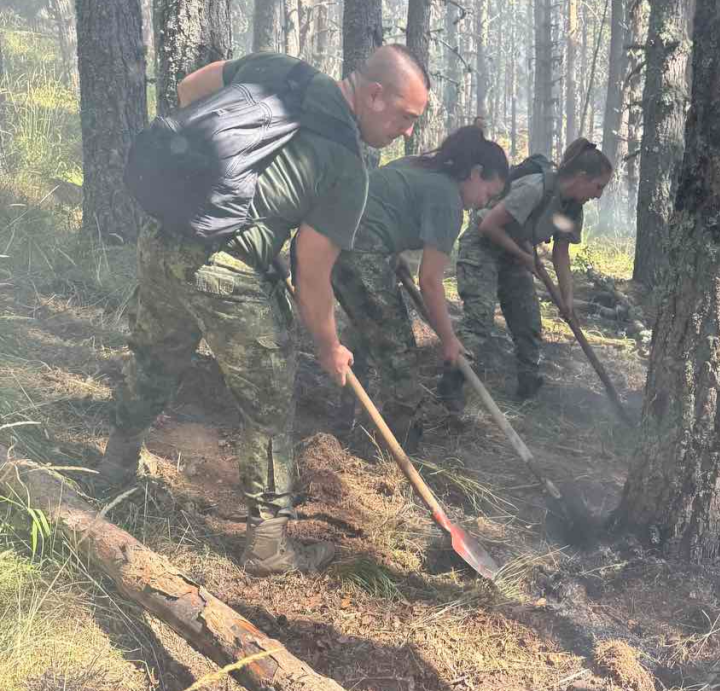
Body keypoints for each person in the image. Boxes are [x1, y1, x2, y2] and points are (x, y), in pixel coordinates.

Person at [95, 47, 429, 577]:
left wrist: (226, 193)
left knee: (156, 355)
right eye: (406, 118)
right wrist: (327, 347)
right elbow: (312, 275)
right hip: (227, 277)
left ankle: (114, 463)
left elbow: (188, 93)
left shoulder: (282, 71)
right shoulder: (346, 166)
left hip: (164, 238)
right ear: (373, 96)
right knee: (269, 404)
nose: (407, 132)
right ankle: (268, 547)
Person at [324, 126, 509, 452]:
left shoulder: (421, 166)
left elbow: (384, 204)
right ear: (476, 173)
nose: (484, 203)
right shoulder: (447, 199)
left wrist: (391, 253)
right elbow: (430, 281)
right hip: (361, 251)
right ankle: (402, 452)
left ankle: (342, 431)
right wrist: (450, 340)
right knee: (400, 357)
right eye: (488, 193)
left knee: (363, 339)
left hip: (335, 241)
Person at [448, 138, 612, 408]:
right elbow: (489, 225)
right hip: (483, 245)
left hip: (516, 251)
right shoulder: (536, 187)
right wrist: (524, 256)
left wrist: (567, 297)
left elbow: (561, 252)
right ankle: (452, 385)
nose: (598, 195)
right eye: (598, 186)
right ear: (582, 177)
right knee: (480, 318)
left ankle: (528, 388)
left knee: (528, 321)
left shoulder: (572, 208)